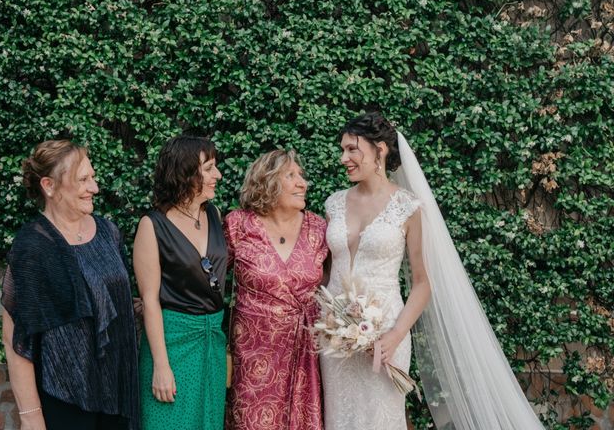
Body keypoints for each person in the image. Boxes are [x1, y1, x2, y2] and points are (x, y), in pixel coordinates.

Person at [321, 112, 546, 430]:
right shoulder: (333, 204)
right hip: (336, 338)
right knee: (339, 417)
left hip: (386, 334)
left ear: (380, 149)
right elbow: (326, 272)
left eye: (352, 149)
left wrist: (395, 335)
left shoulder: (408, 207)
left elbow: (422, 282)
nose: (344, 158)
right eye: (342, 149)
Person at [1, 140, 139, 430]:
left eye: (93, 177)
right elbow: (15, 338)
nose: (95, 188)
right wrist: (31, 417)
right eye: (83, 180)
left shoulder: (108, 233)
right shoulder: (34, 248)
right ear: (49, 186)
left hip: (116, 392)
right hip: (64, 398)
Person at [224, 150, 328, 430]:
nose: (302, 183)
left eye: (302, 176)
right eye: (291, 176)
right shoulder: (238, 224)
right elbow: (209, 283)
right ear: (267, 181)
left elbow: (333, 285)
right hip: (253, 361)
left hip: (305, 356)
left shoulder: (318, 229)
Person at [134, 135, 227, 430]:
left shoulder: (214, 215)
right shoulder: (152, 225)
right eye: (210, 168)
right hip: (173, 343)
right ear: (186, 172)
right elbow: (149, 300)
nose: (218, 175)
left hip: (211, 343)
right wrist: (161, 365)